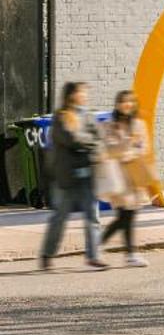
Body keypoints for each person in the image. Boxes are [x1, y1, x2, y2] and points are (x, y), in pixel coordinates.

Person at [39, 81, 109, 272]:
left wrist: (88, 141)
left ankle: (94, 257)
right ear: (71, 95)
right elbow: (70, 139)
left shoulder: (87, 115)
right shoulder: (61, 117)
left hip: (87, 175)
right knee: (60, 218)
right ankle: (47, 254)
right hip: (66, 177)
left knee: (93, 217)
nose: (85, 96)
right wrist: (89, 141)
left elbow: (100, 139)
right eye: (81, 93)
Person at [99, 90, 155, 268]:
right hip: (117, 176)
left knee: (128, 215)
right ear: (117, 104)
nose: (127, 105)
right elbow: (108, 149)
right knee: (125, 215)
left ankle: (103, 246)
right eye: (123, 102)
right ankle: (129, 254)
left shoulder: (139, 125)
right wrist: (128, 144)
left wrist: (128, 150)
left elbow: (144, 148)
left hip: (134, 175)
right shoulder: (109, 125)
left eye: (130, 102)